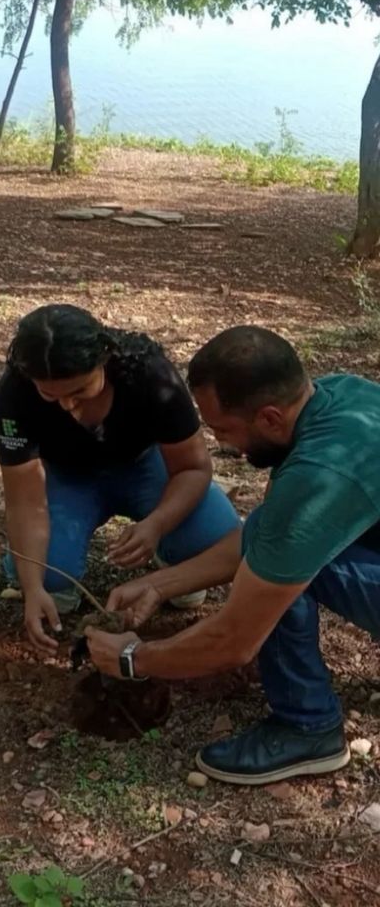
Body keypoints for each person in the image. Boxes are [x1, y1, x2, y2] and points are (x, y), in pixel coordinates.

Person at [89, 326, 380, 785]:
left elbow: (235, 641)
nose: (224, 445)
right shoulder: (341, 396)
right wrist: (158, 584)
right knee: (276, 538)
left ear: (268, 418)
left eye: (223, 429)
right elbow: (268, 532)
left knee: (280, 570)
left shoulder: (316, 476)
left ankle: (308, 728)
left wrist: (133, 658)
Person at [0, 305, 241, 655]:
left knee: (216, 543)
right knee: (50, 586)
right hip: (67, 478)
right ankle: (26, 570)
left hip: (145, 467)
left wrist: (156, 524)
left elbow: (193, 468)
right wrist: (31, 587)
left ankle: (172, 561)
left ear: (104, 362)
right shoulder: (15, 393)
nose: (67, 405)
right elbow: (25, 501)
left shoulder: (148, 373)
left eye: (80, 391)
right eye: (50, 395)